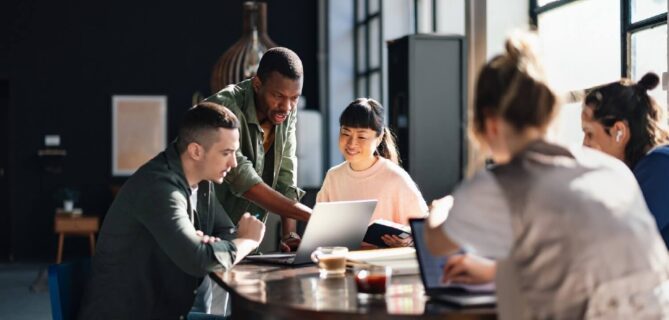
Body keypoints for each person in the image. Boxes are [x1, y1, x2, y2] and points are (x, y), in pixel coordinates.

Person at [424, 33, 669, 319]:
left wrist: (441, 210)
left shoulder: (502, 182)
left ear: (490, 124)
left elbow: (436, 243)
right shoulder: (611, 171)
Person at [79, 102, 266, 319]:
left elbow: (225, 231)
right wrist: (249, 241)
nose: (234, 163)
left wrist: (213, 246)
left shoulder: (203, 184)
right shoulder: (158, 188)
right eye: (226, 152)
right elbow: (199, 260)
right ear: (196, 151)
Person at [204, 47, 311, 252]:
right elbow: (244, 179)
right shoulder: (223, 107)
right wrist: (313, 217)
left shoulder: (286, 113)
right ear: (257, 84)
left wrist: (289, 235)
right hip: (204, 235)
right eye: (278, 95)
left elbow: (286, 178)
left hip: (245, 242)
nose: (286, 107)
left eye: (294, 98)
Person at [316, 98, 428, 247]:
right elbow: (319, 231)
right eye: (345, 133)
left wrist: (408, 242)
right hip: (343, 264)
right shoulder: (333, 176)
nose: (351, 143)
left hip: (384, 265)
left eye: (361, 136)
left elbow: (424, 231)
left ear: (379, 138)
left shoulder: (395, 178)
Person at [581, 72, 669, 247]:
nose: (584, 145)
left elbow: (616, 245)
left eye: (589, 133)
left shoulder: (660, 167)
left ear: (619, 131)